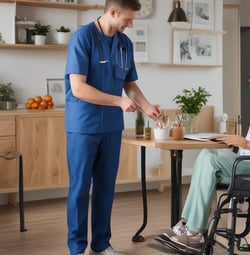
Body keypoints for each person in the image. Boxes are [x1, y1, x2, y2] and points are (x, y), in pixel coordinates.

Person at [156, 56, 250, 254]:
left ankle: (194, 232)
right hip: (249, 163)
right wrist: (235, 141)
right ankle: (186, 226)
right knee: (207, 154)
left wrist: (246, 143)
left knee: (209, 157)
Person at [64, 0, 162, 255]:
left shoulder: (124, 43)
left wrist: (147, 106)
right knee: (79, 190)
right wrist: (119, 101)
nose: (130, 24)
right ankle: (76, 249)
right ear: (112, 12)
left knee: (105, 189)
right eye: (127, 19)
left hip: (111, 127)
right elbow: (78, 88)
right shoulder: (82, 38)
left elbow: (129, 83)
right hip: (83, 126)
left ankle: (101, 244)